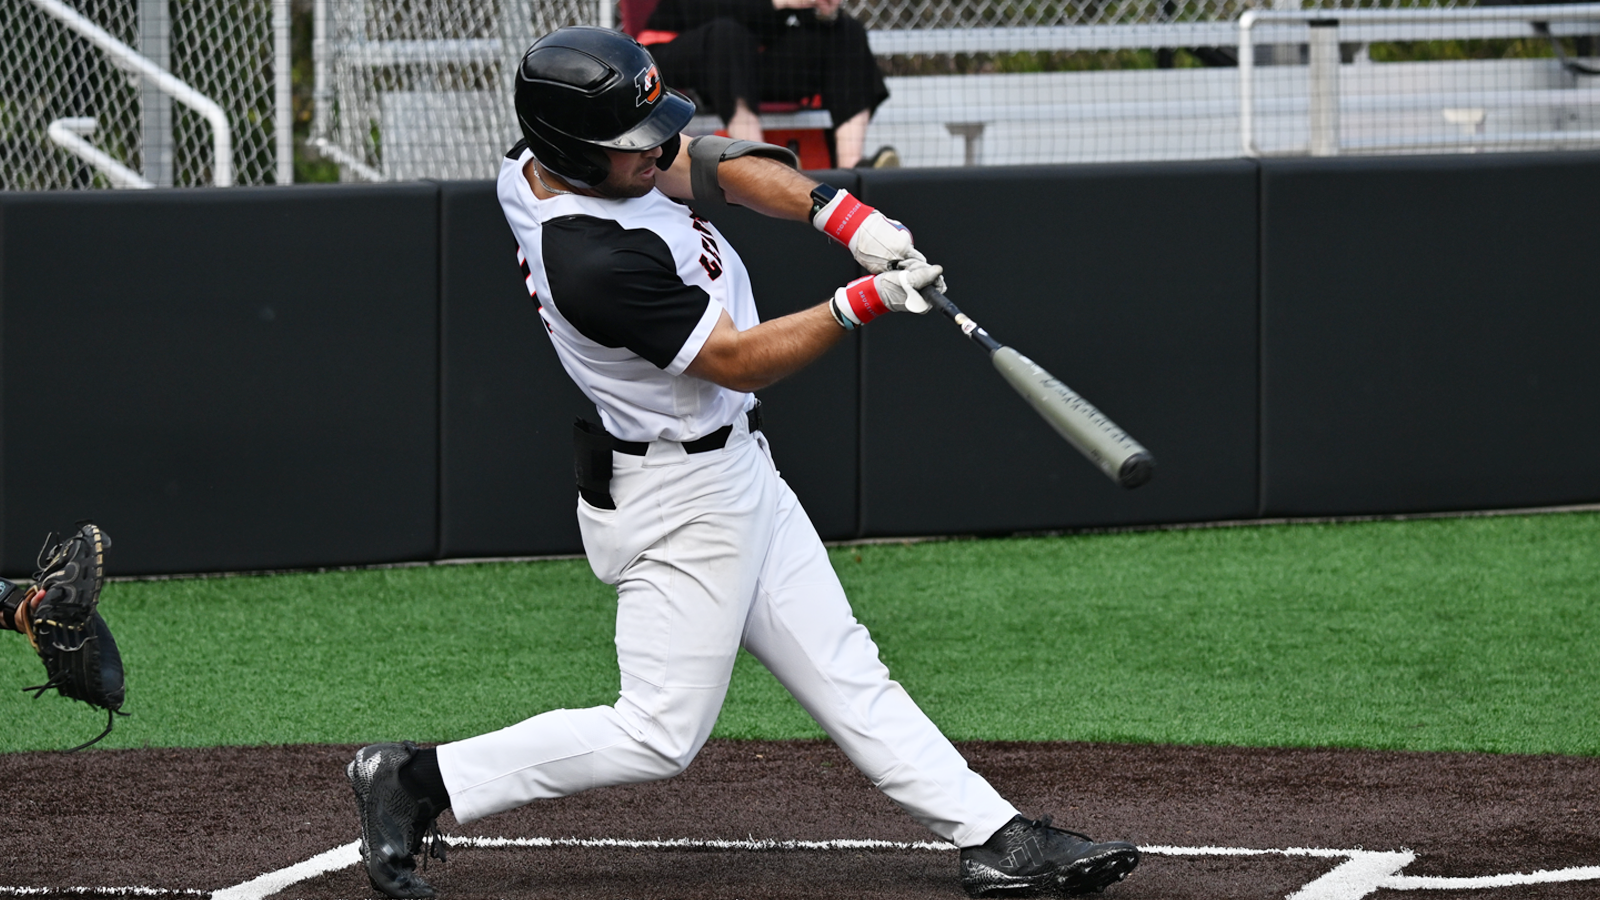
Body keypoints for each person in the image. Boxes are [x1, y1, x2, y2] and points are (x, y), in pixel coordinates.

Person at [345, 26, 1141, 900]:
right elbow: (735, 360)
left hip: (732, 469)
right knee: (658, 733)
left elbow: (713, 159)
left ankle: (996, 839)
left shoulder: (556, 157)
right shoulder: (591, 260)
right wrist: (860, 300)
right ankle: (415, 781)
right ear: (574, 154)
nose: (658, 154)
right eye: (633, 146)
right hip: (678, 497)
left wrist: (846, 216)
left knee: (845, 667)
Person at [638, 0, 894, 167]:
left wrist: (818, 9)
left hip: (747, 61)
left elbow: (777, 23)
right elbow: (702, 12)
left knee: (845, 31)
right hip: (675, 53)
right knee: (727, 36)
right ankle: (758, 162)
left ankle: (852, 167)